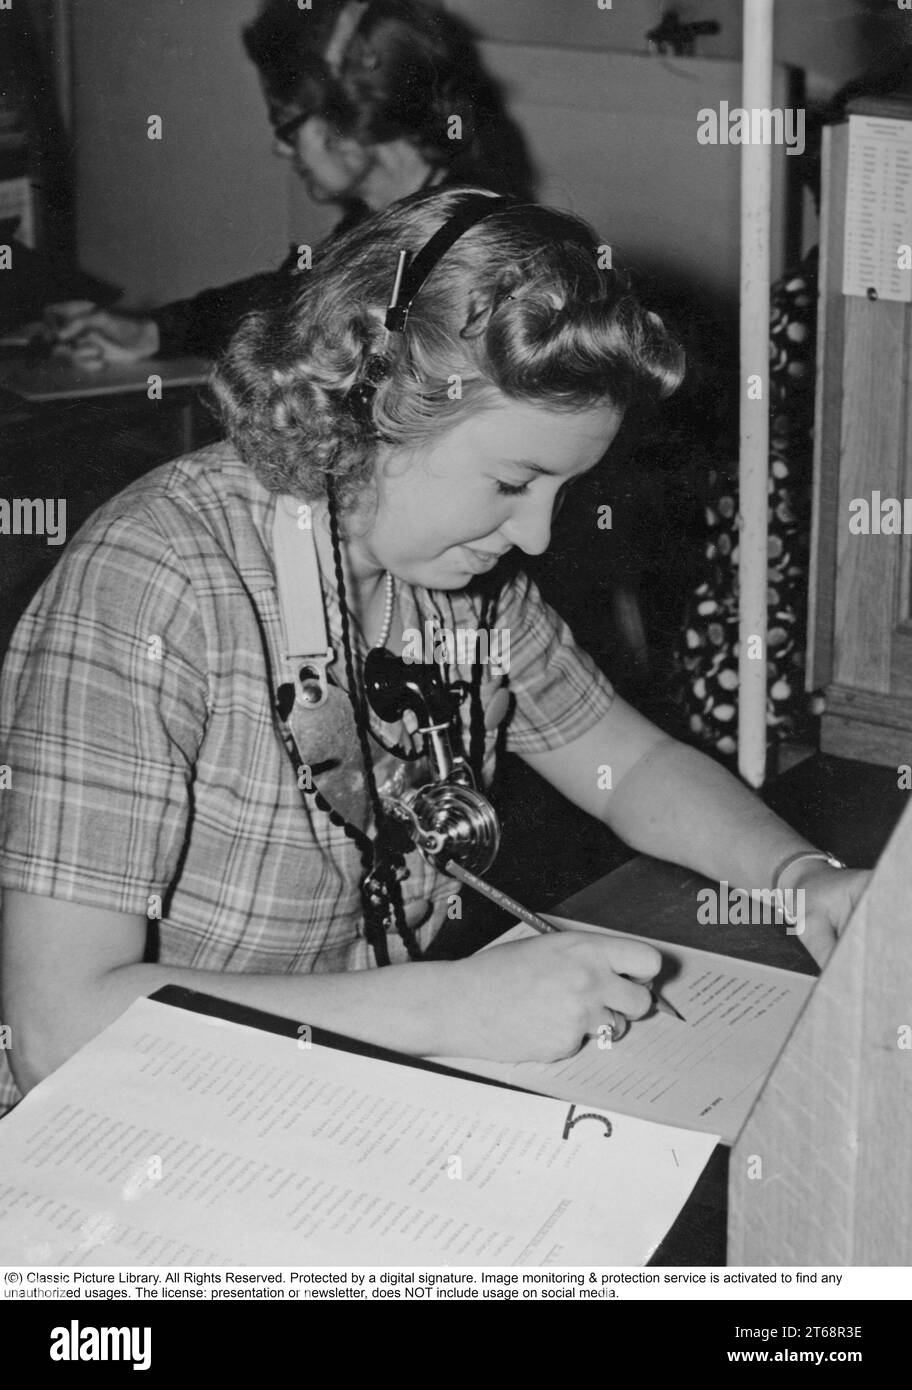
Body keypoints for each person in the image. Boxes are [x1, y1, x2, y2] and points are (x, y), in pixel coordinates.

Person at [0, 189, 868, 1117]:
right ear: (369, 400)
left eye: (562, 493)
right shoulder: (154, 582)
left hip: (320, 1096)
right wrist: (449, 1008)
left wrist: (800, 882)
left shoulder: (452, 573)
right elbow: (58, 1032)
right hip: (126, 1125)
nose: (535, 536)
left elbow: (632, 764)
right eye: (513, 482)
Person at [39, 0, 533, 368]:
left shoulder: (465, 251)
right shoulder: (396, 212)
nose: (281, 148)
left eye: (286, 125)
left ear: (349, 119)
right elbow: (290, 296)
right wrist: (153, 331)